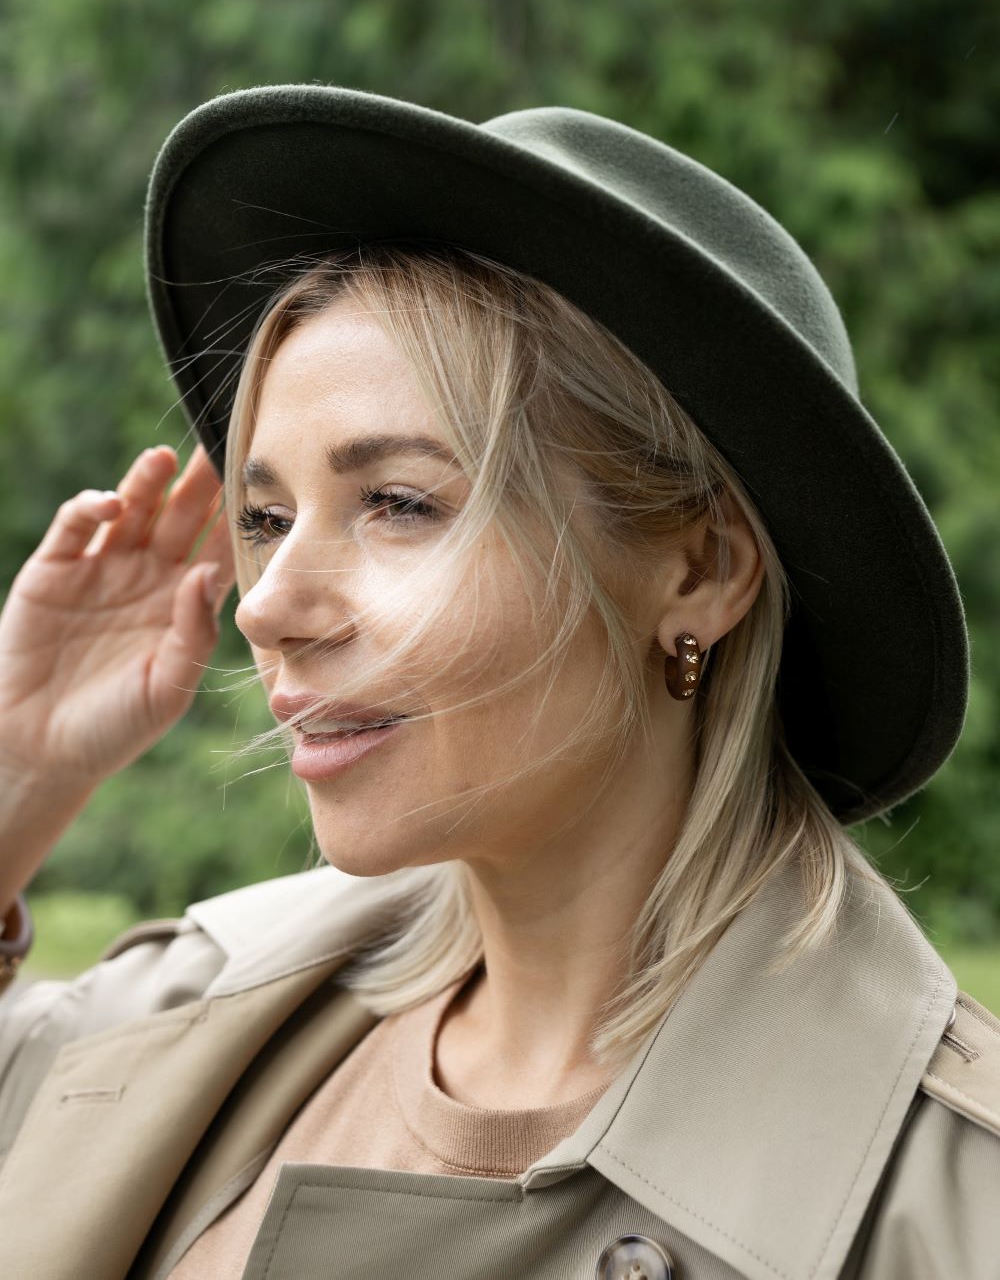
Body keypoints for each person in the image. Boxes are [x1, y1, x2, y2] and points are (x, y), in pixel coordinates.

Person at [0, 85, 996, 1280]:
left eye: (399, 504)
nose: (262, 603)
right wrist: (21, 770)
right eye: (264, 518)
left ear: (701, 570)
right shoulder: (210, 1008)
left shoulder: (943, 1205)